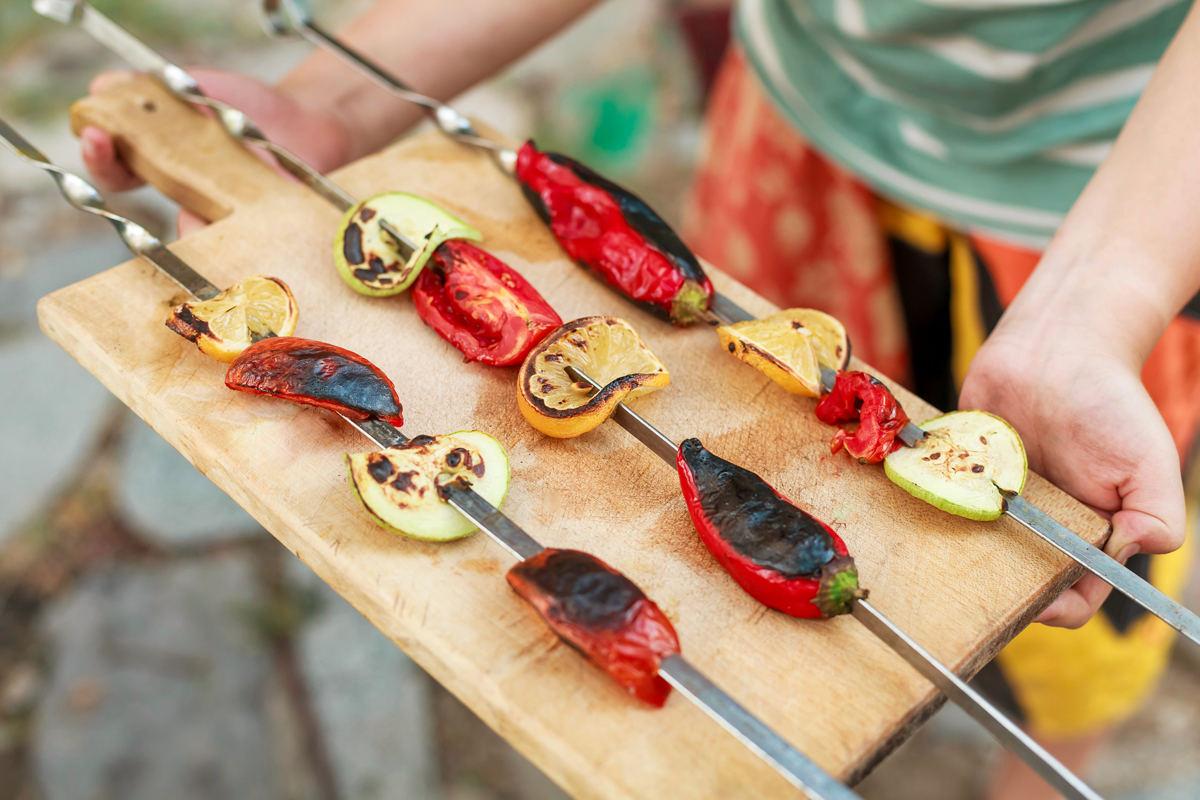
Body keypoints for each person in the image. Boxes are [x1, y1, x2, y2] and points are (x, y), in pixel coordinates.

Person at [79, 1, 1200, 797]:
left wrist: (1108, 292)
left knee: (1062, 565)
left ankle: (1061, 753)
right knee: (786, 403)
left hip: (1115, 209)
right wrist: (332, 98)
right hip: (810, 135)